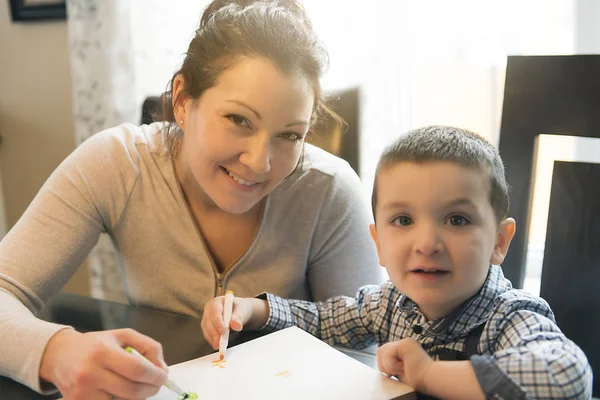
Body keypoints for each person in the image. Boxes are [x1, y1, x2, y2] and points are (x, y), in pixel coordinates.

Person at [0, 0, 383, 398]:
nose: (259, 162)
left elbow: (365, 351)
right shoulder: (117, 164)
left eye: (289, 135)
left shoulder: (329, 189)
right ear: (183, 101)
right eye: (238, 120)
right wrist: (57, 351)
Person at [202, 125, 593, 399]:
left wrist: (428, 374)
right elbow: (323, 320)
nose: (426, 243)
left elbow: (567, 375)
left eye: (457, 220)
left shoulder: (507, 317)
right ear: (379, 244)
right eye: (403, 220)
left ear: (499, 241)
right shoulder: (390, 304)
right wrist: (254, 310)